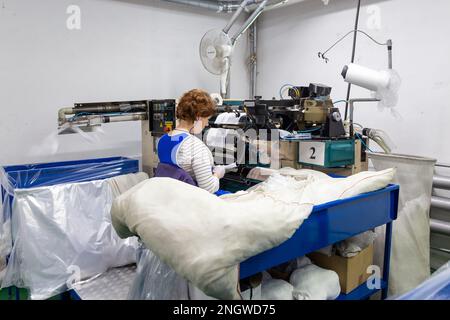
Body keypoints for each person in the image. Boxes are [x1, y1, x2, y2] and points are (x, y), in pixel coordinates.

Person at [155, 89, 225, 193]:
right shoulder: (195, 147)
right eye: (206, 119)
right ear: (198, 117)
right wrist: (217, 175)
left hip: (170, 196)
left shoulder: (163, 140)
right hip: (191, 201)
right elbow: (208, 188)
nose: (206, 124)